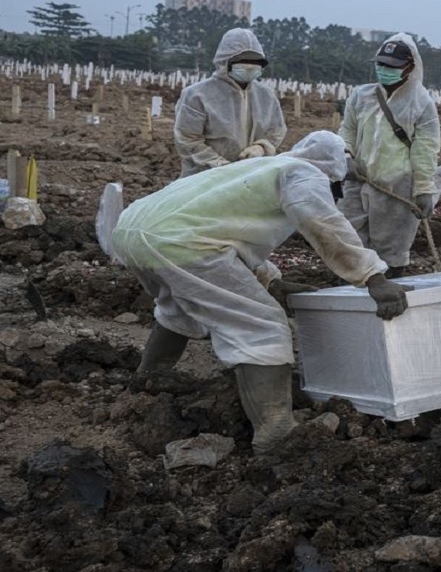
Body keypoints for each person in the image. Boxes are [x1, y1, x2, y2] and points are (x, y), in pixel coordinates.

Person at [111, 131, 409, 454]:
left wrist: (272, 281)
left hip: (132, 230)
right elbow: (323, 223)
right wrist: (373, 277)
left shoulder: (266, 167)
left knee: (178, 306)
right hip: (178, 242)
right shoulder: (305, 174)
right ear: (334, 171)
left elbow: (228, 232)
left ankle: (147, 380)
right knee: (262, 326)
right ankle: (275, 433)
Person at [338, 34, 441, 278]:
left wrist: (424, 188)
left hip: (397, 187)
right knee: (350, 241)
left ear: (409, 68)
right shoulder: (361, 95)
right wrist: (346, 155)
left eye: (392, 67)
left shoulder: (421, 103)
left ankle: (388, 291)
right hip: (358, 180)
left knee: (391, 248)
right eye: (381, 64)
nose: (384, 70)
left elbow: (425, 147)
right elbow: (348, 129)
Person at [174, 28, 287, 178]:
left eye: (254, 63)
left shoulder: (266, 96)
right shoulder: (197, 95)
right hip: (204, 178)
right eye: (242, 62)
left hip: (252, 176)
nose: (249, 67)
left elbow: (275, 130)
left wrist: (261, 147)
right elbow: (188, 139)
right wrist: (219, 165)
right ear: (224, 62)